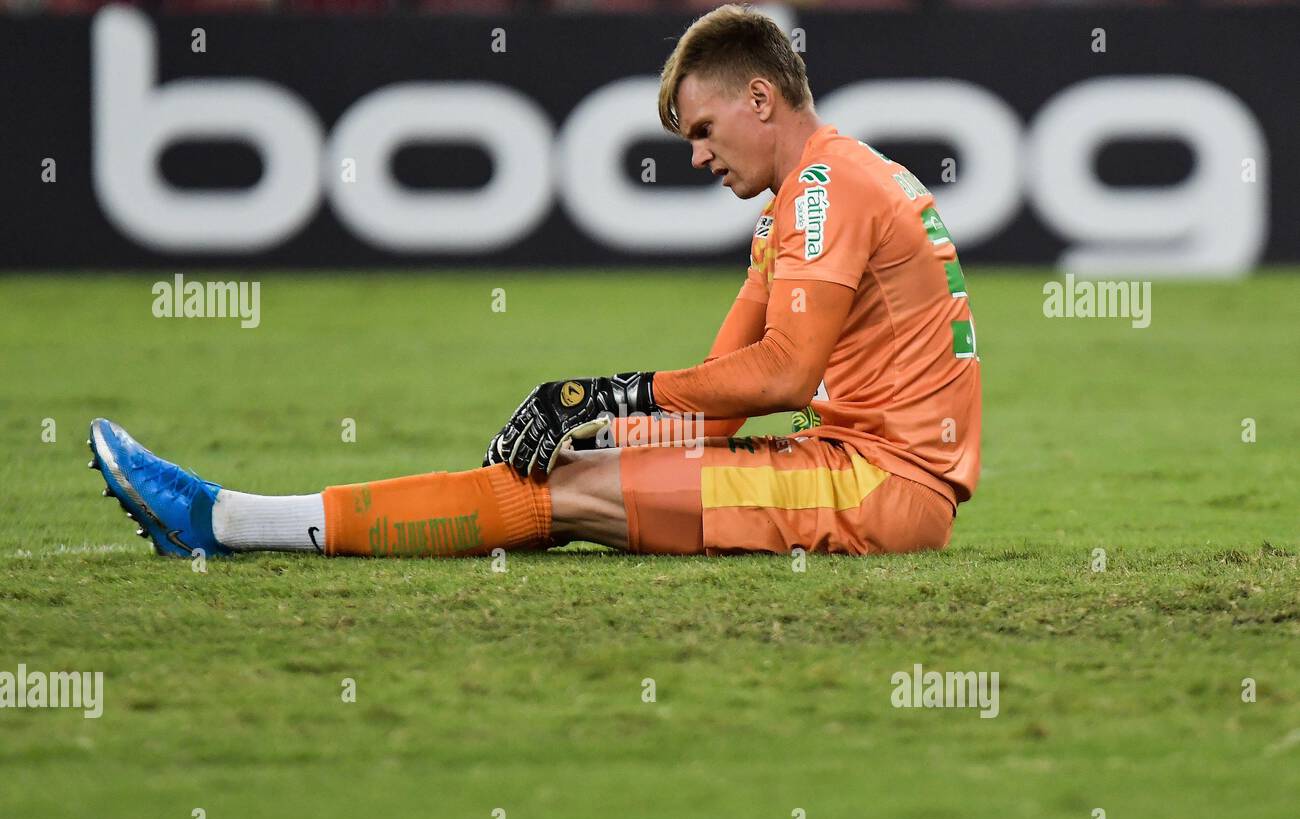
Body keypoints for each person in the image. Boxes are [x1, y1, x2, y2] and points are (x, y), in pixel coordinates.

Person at [88, 4, 980, 560]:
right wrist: (588, 420)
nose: (699, 156)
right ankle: (235, 520)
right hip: (864, 470)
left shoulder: (826, 189)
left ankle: (229, 523)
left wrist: (600, 391)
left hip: (876, 486)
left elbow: (783, 376)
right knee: (571, 468)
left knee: (552, 496)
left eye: (704, 130)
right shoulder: (810, 193)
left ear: (760, 97)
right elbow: (719, 406)